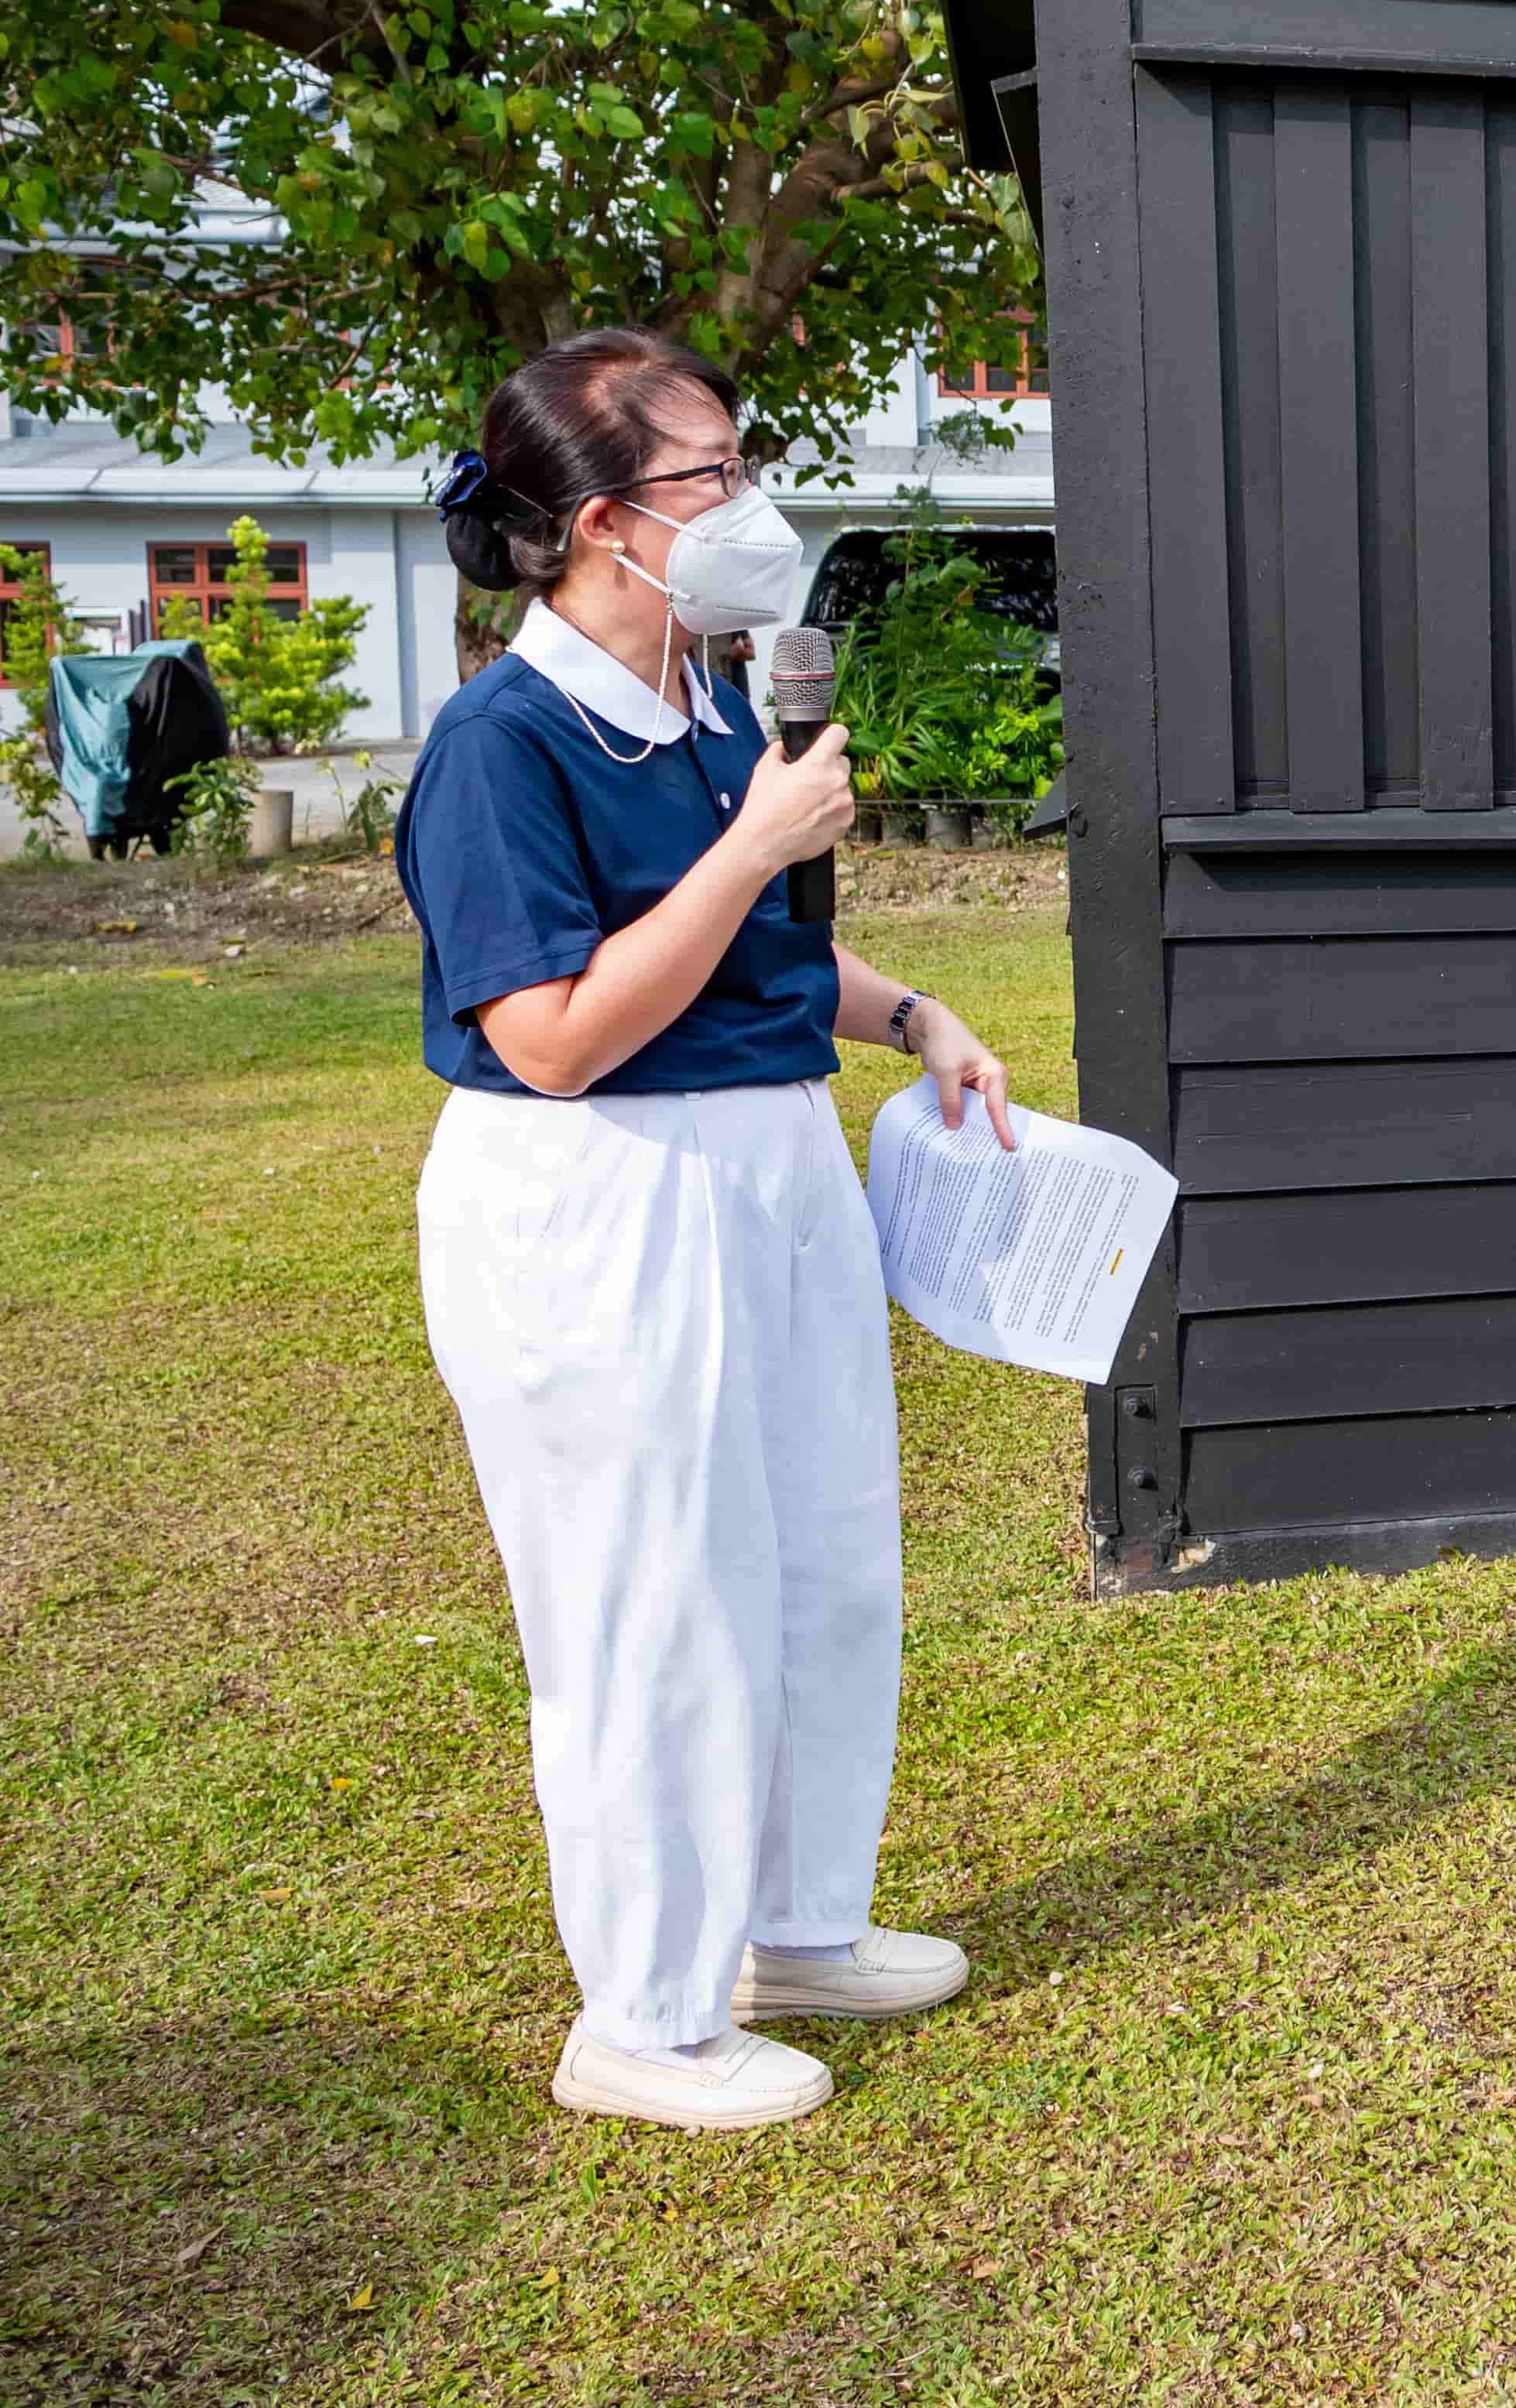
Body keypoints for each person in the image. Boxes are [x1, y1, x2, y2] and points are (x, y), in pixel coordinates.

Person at [398, 327, 1017, 2132]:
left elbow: (756, 960)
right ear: (600, 524)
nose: (752, 507)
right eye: (712, 476)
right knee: (651, 1601)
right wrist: (754, 847)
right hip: (605, 1203)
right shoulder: (499, 746)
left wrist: (911, 1017)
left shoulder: (719, 701)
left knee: (822, 1560)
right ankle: (646, 2020)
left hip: (771, 1167)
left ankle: (795, 1927)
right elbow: (560, 1036)